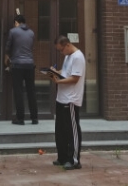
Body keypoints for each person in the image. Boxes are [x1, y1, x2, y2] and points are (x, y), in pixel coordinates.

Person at [49, 35, 84, 170]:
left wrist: (58, 81)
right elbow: (65, 72)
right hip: (61, 97)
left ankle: (74, 160)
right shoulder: (68, 56)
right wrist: (54, 72)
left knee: (71, 130)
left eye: (61, 50)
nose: (61, 52)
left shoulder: (78, 57)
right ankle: (62, 157)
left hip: (71, 99)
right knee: (61, 130)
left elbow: (75, 78)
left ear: (67, 45)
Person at [4, 14, 38, 125]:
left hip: (17, 64)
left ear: (16, 22)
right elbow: (31, 47)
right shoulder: (31, 33)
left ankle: (20, 118)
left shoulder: (13, 31)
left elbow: (8, 46)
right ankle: (34, 118)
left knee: (18, 91)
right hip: (30, 64)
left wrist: (6, 56)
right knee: (31, 91)